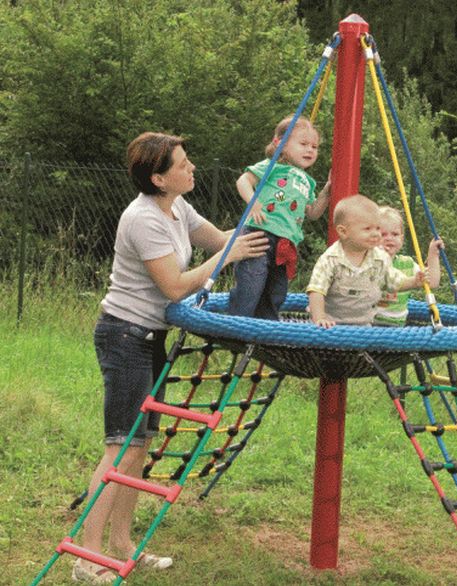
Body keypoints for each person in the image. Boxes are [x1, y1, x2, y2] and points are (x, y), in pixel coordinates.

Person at [72, 132, 270, 584]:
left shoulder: (177, 207)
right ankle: (87, 558)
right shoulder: (143, 219)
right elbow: (176, 286)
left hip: (150, 338)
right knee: (120, 448)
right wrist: (226, 256)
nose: (192, 168)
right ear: (159, 178)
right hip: (123, 336)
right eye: (182, 164)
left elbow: (220, 238)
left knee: (137, 451)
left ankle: (124, 545)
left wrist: (266, 219)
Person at [227, 115, 330, 319]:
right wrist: (253, 202)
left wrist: (327, 192)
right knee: (251, 282)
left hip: (286, 242)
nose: (310, 150)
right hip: (260, 233)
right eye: (303, 144)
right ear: (280, 144)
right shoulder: (273, 165)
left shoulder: (308, 182)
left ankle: (266, 329)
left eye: (314, 146)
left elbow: (313, 212)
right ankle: (236, 322)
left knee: (276, 291)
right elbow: (243, 181)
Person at [307, 195, 424, 328]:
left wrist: (414, 281)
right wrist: (320, 318)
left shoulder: (380, 258)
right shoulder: (330, 259)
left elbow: (394, 282)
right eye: (368, 229)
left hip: (363, 326)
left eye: (377, 228)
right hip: (329, 324)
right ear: (343, 232)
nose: (375, 234)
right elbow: (316, 290)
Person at [374, 205, 443, 326]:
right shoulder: (369, 261)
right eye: (383, 234)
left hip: (398, 325)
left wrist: (433, 254)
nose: (389, 238)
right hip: (370, 324)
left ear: (401, 239)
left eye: (395, 234)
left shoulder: (407, 263)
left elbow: (432, 282)